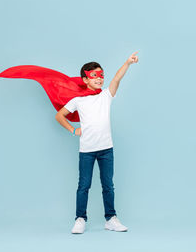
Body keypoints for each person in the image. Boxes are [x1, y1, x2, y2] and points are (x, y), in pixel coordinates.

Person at [55, 52, 139, 234]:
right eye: (94, 76)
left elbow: (117, 79)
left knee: (108, 185)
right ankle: (80, 219)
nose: (99, 79)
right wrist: (73, 130)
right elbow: (59, 115)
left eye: (101, 75)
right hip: (87, 151)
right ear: (85, 79)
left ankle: (111, 218)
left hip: (106, 150)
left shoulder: (106, 96)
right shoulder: (78, 100)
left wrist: (127, 63)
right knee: (83, 185)